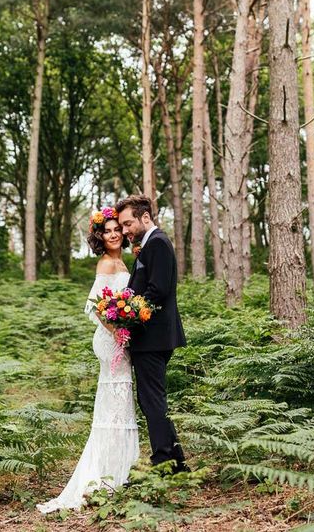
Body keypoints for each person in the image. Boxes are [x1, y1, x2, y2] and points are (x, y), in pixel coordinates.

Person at [36, 208, 139, 513]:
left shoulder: (124, 260)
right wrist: (118, 332)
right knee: (114, 408)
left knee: (122, 406)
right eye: (107, 231)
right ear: (100, 236)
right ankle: (104, 479)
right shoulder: (106, 263)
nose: (114, 234)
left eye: (116, 229)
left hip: (122, 336)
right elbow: (98, 306)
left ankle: (121, 473)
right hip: (111, 340)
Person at [115, 194, 189, 473]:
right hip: (151, 337)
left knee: (152, 400)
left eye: (127, 224)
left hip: (153, 337)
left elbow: (157, 291)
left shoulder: (157, 243)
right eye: (122, 226)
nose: (125, 231)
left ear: (145, 217)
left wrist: (126, 315)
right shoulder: (148, 246)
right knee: (153, 400)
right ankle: (176, 461)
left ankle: (163, 461)